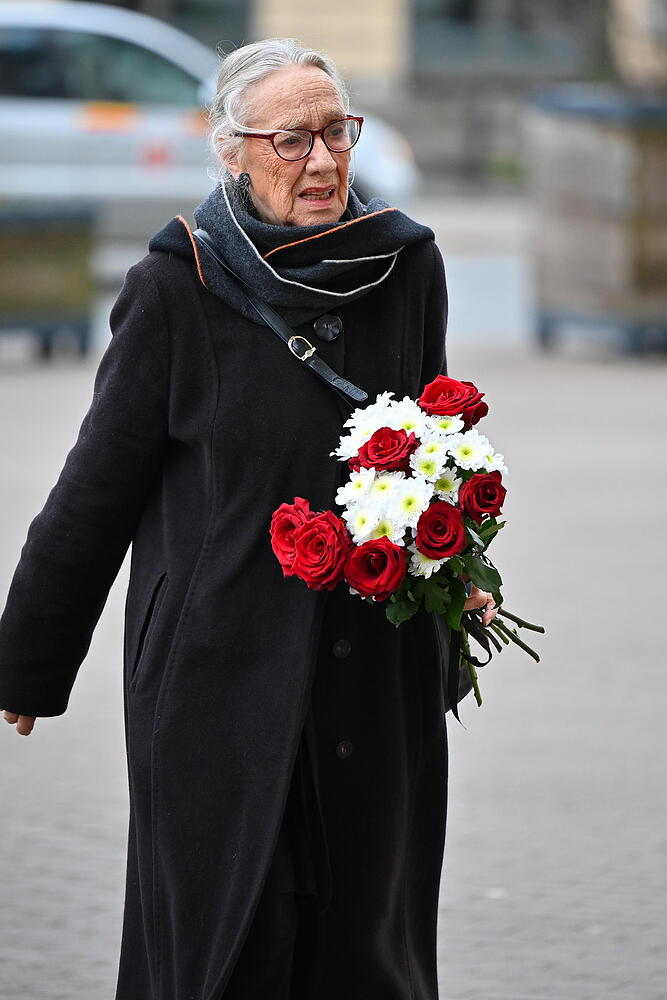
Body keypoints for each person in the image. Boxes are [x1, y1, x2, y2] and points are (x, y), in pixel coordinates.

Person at [0, 38, 498, 1000]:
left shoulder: (406, 265)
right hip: (217, 676)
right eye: (289, 139)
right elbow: (96, 488)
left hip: (370, 668)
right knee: (227, 947)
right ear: (230, 152)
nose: (320, 161)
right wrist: (28, 659)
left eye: (334, 133)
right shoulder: (175, 288)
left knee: (367, 946)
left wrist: (458, 580)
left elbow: (437, 445)